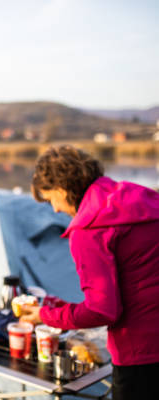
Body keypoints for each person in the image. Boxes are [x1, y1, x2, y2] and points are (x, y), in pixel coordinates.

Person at [20, 145, 159, 400]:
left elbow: (102, 310)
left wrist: (45, 315)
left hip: (141, 353)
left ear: (62, 189)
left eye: (51, 199)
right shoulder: (138, 197)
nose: (55, 210)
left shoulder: (90, 228)